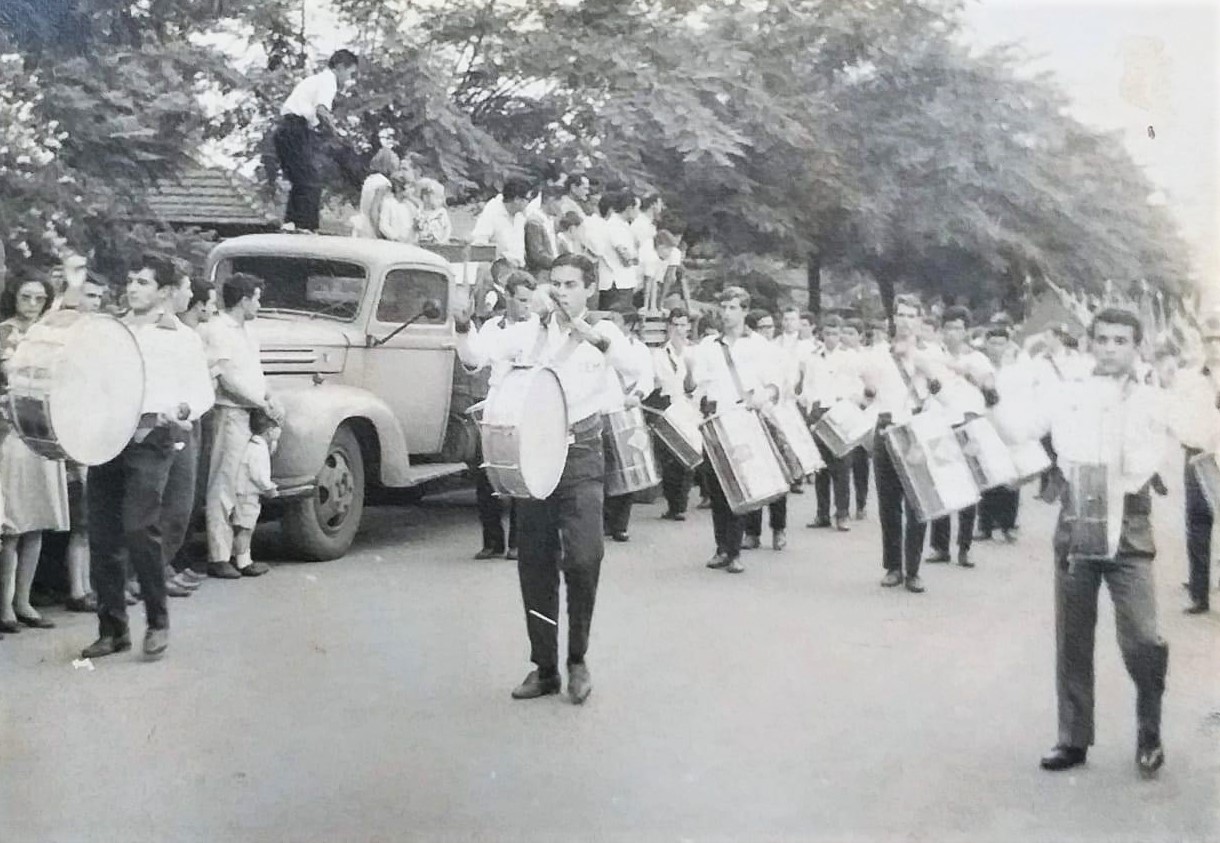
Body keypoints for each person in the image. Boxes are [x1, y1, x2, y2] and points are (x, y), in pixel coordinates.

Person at [455, 253, 647, 704]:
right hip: (532, 455)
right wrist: (463, 325)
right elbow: (475, 359)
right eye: (555, 283)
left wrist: (594, 339)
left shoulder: (605, 333)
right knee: (534, 562)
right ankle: (544, 667)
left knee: (583, 557)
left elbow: (638, 370)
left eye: (570, 284)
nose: (560, 291)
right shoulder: (526, 331)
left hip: (581, 453)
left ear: (588, 290)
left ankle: (577, 658)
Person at [1029, 308, 1171, 778]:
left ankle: (1149, 727)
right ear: (1090, 343)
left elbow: (1155, 456)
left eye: (1120, 341)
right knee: (1073, 636)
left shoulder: (1152, 399)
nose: (1110, 348)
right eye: (1103, 340)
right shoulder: (1068, 393)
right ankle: (1073, 737)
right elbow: (1028, 429)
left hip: (1129, 526)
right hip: (1077, 520)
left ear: (1136, 348)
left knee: (1144, 639)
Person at [81, 255, 214, 661]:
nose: (133, 287)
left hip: (152, 436)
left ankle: (157, 621)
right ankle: (112, 629)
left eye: (143, 282)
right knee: (102, 536)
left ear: (163, 292)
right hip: (107, 438)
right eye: (131, 280)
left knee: (140, 528)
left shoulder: (180, 337)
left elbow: (201, 392)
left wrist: (182, 410)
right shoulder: (110, 329)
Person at [689, 287, 782, 573]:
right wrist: (699, 401)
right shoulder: (707, 345)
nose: (726, 314)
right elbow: (697, 384)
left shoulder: (759, 347)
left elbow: (775, 384)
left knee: (742, 484)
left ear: (744, 310)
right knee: (717, 488)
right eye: (723, 308)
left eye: (732, 308)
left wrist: (760, 398)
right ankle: (721, 548)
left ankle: (736, 549)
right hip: (715, 421)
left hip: (743, 420)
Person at [858, 295, 942, 594]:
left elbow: (940, 392)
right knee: (888, 503)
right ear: (893, 319)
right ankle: (893, 566)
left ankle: (914, 570)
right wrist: (867, 390)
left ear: (920, 320)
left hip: (916, 428)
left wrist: (922, 365)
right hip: (886, 426)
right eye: (901, 315)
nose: (905, 321)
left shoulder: (930, 354)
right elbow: (867, 396)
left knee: (917, 500)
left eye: (911, 315)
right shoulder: (878, 354)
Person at [0, 277, 70, 633]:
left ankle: (24, 601)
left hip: (41, 433)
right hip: (10, 433)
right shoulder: (4, 332)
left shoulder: (49, 336)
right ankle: (5, 606)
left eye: (39, 298)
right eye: (25, 296)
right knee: (12, 523)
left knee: (38, 520)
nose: (31, 303)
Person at [205, 273, 279, 579]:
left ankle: (242, 556)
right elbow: (225, 378)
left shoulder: (248, 332)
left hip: (251, 412)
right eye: (257, 298)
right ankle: (218, 555)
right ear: (244, 299)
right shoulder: (218, 330)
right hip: (231, 411)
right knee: (223, 482)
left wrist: (269, 397)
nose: (259, 305)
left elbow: (254, 372)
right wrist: (259, 403)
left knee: (246, 486)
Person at [469, 271, 539, 561]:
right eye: (521, 300)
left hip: (526, 407)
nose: (526, 307)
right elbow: (474, 360)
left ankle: (517, 543)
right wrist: (464, 328)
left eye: (529, 301)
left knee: (522, 477)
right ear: (507, 297)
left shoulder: (538, 327)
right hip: (496, 405)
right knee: (486, 475)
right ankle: (492, 542)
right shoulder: (491, 327)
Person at [926, 306, 995, 568]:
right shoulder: (933, 357)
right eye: (948, 328)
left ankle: (964, 547)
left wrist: (973, 377)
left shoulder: (978, 359)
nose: (953, 333)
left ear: (966, 331)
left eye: (958, 328)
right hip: (940, 424)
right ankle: (940, 546)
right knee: (940, 482)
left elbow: (990, 388)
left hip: (968, 423)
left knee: (969, 485)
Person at [1166, 311, 1220, 614]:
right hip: (1198, 456)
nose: (1214, 346)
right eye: (1208, 339)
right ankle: (1199, 592)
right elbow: (1177, 416)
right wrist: (1192, 441)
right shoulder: (1188, 378)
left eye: (1219, 340)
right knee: (1198, 521)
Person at [275, 49, 360, 232]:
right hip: (294, 129)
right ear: (339, 67)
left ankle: (292, 223)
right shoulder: (328, 80)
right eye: (350, 73)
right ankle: (306, 226)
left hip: (290, 130)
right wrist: (337, 134)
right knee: (310, 181)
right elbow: (322, 110)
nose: (348, 80)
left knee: (302, 180)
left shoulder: (316, 80)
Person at [801, 314, 860, 533]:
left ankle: (842, 513)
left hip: (840, 411)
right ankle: (822, 513)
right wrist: (810, 406)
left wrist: (848, 402)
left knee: (842, 465)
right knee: (821, 466)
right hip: (819, 411)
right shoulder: (813, 357)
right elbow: (807, 384)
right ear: (821, 335)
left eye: (835, 333)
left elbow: (857, 386)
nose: (831, 338)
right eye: (827, 333)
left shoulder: (850, 357)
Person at [601, 307, 655, 543]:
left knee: (627, 467)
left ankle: (620, 524)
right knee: (603, 468)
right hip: (602, 412)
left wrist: (638, 395)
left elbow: (647, 377)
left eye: (616, 320)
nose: (609, 324)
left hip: (626, 411)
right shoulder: (598, 344)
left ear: (628, 325)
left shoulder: (638, 350)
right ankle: (602, 521)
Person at [977, 324, 1032, 543]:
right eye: (993, 343)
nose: (997, 347)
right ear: (986, 344)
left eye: (1002, 343)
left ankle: (1008, 524)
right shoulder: (980, 367)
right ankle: (985, 525)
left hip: (1008, 425)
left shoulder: (1015, 370)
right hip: (985, 424)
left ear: (1008, 345)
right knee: (987, 475)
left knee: (1010, 476)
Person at [741, 309, 787, 550]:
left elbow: (781, 386)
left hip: (772, 416)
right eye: (763, 327)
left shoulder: (777, 353)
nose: (769, 332)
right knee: (753, 473)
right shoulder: (745, 351)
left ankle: (779, 529)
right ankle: (752, 531)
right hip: (749, 418)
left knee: (776, 473)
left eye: (771, 327)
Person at [653, 307, 695, 521]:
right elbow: (655, 382)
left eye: (683, 325)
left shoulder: (694, 352)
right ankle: (673, 504)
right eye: (675, 324)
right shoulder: (660, 354)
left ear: (688, 327)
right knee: (669, 459)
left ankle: (681, 505)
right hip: (668, 409)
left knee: (686, 459)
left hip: (690, 410)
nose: (679, 329)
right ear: (669, 326)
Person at [229, 411, 280, 574]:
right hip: (248, 494)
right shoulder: (259, 449)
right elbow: (258, 474)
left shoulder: (251, 445)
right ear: (270, 430)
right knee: (246, 528)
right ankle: (244, 562)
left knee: (238, 526)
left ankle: (234, 556)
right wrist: (269, 488)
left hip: (241, 492)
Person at [840, 318, 871, 519]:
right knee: (843, 460)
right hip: (844, 411)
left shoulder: (867, 357)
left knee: (861, 461)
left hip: (863, 411)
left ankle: (861, 502)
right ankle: (842, 507)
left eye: (851, 333)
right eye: (845, 332)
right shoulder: (839, 357)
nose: (846, 337)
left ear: (860, 336)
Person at [471, 177, 532, 267]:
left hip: (519, 269)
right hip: (498, 270)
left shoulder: (520, 215)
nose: (529, 203)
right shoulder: (492, 212)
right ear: (517, 199)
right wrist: (503, 259)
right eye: (528, 199)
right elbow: (479, 244)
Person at [595, 191, 639, 311]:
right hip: (617, 284)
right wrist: (636, 259)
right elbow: (625, 257)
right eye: (637, 209)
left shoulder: (621, 226)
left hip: (621, 283)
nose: (638, 213)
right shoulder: (615, 227)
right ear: (629, 208)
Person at [524, 184, 561, 281]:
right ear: (549, 200)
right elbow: (536, 255)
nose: (561, 207)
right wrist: (560, 263)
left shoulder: (551, 220)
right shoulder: (534, 222)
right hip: (540, 275)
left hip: (552, 272)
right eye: (559, 202)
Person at [415, 178, 452, 245]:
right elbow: (415, 228)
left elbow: (447, 227)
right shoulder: (419, 212)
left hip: (439, 243)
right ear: (425, 197)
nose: (440, 201)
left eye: (441, 198)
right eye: (437, 198)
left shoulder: (441, 212)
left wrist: (443, 240)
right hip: (423, 242)